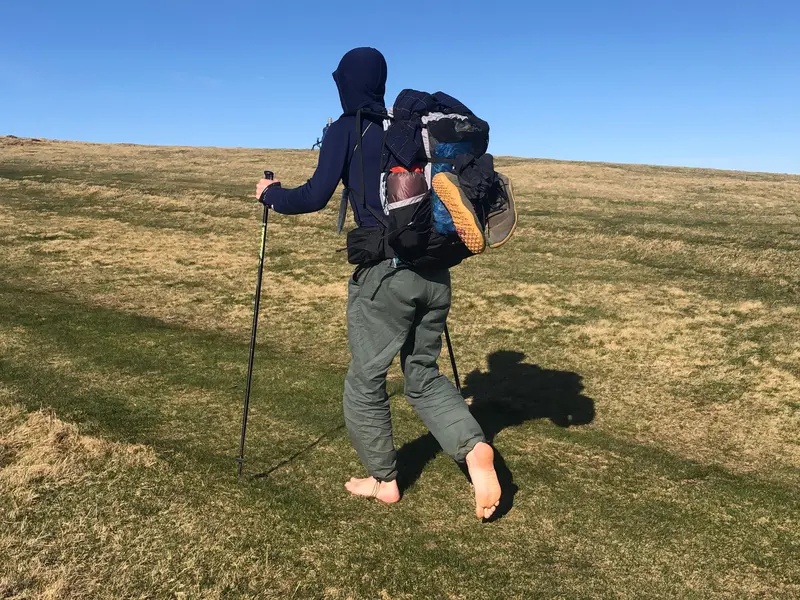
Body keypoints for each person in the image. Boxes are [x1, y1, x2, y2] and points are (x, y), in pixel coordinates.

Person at [255, 47, 501, 519]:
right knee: (422, 375)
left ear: (346, 83)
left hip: (384, 276)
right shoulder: (408, 129)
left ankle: (384, 480)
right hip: (434, 272)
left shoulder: (347, 129)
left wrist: (272, 195)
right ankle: (473, 449)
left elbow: (314, 195)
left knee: (364, 380)